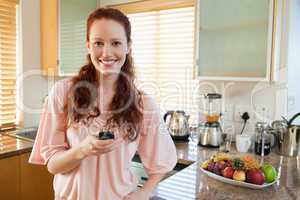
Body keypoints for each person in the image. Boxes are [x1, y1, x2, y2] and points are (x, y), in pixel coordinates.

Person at [29, 7, 177, 200]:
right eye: (98, 43)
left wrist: (144, 192)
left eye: (116, 43)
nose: (106, 53)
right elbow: (52, 165)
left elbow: (162, 163)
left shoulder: (143, 104)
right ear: (88, 46)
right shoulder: (62, 92)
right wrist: (82, 150)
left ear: (128, 46)